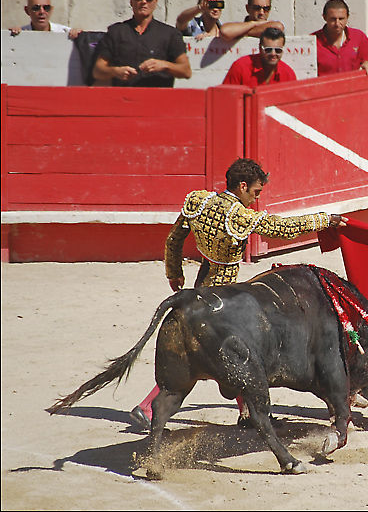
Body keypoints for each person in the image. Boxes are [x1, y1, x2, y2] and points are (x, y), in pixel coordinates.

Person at [130, 157, 348, 429]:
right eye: (255, 192)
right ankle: (148, 407)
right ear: (242, 186)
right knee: (221, 357)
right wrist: (324, 220)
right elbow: (280, 228)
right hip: (223, 297)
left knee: (229, 357)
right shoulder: (238, 214)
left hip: (201, 284)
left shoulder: (200, 201)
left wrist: (173, 272)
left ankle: (249, 414)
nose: (256, 199)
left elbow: (174, 238)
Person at [92, 0, 191, 87]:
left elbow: (186, 71)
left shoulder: (169, 34)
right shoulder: (116, 32)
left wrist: (164, 65)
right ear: (131, 1)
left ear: (155, 2)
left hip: (158, 100)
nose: (143, 1)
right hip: (124, 99)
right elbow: (98, 71)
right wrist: (116, 71)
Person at [312, 0, 368, 80]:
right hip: (323, 91)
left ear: (347, 17)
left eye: (341, 19)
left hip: (352, 90)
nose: (337, 23)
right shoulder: (312, 42)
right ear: (324, 17)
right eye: (333, 19)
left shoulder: (359, 37)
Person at [222, 27, 296, 86]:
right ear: (260, 48)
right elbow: (226, 98)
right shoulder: (240, 67)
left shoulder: (288, 74)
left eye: (278, 50)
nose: (273, 54)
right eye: (268, 50)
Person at [9, 0, 82, 40]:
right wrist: (11, 37)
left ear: (51, 9)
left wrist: (80, 35)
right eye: (36, 8)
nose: (42, 12)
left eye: (46, 8)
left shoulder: (65, 33)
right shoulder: (20, 34)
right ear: (27, 10)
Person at [219, 0, 284, 41]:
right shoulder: (238, 27)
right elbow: (225, 31)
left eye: (266, 8)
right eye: (257, 8)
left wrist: (241, 33)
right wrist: (254, 24)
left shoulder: (272, 26)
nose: (261, 12)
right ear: (247, 8)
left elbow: (278, 26)